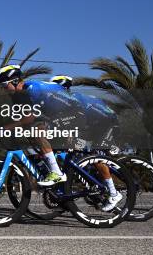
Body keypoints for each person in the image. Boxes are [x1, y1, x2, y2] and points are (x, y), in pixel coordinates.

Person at [0, 65, 82, 186]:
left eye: (4, 86)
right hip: (56, 113)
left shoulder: (33, 89)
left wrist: (7, 128)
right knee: (28, 132)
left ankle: (57, 172)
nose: (3, 89)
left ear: (15, 81)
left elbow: (30, 117)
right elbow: (18, 117)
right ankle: (48, 163)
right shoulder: (17, 95)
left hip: (75, 112)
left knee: (37, 130)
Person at [50, 75, 123, 211]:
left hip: (108, 123)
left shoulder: (74, 99)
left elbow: (79, 120)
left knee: (94, 154)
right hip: (94, 124)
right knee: (73, 148)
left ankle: (114, 193)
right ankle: (91, 179)